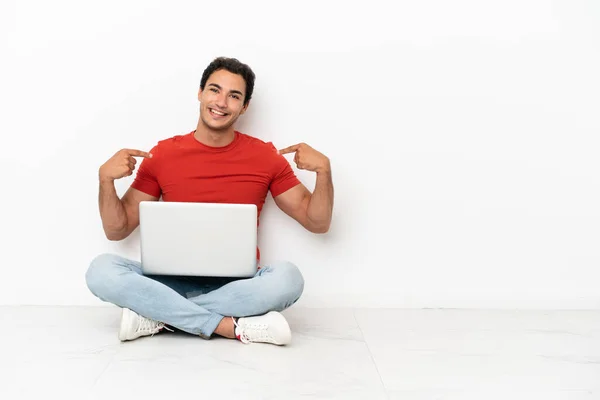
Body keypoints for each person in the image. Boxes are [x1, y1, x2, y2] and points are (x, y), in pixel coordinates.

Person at [85, 57, 334, 346]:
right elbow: (117, 230)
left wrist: (324, 172)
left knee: (288, 279)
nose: (222, 102)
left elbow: (317, 222)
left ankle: (160, 318)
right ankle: (228, 326)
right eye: (215, 90)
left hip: (239, 285)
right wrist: (106, 181)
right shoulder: (163, 155)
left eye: (234, 95)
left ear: (245, 106)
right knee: (101, 271)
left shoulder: (266, 157)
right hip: (170, 281)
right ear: (200, 93)